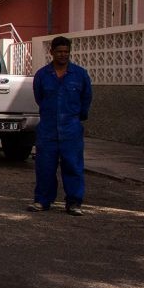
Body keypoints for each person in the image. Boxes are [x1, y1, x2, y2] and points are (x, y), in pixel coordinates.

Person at [28, 36, 93, 215]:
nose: (63, 55)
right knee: (45, 166)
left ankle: (74, 203)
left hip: (71, 129)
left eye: (66, 52)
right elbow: (39, 97)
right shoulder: (42, 75)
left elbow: (86, 98)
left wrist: (76, 118)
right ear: (52, 53)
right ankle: (42, 201)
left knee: (73, 166)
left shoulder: (80, 75)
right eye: (59, 52)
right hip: (48, 129)